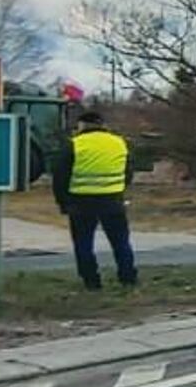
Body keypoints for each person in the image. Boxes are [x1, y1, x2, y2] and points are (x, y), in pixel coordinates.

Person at [52, 110, 137, 291]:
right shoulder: (119, 143)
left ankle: (92, 282)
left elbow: (60, 177)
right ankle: (128, 278)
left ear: (81, 125)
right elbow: (128, 172)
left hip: (81, 202)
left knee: (83, 243)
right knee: (121, 242)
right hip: (113, 200)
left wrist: (63, 202)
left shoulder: (74, 145)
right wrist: (118, 189)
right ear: (103, 125)